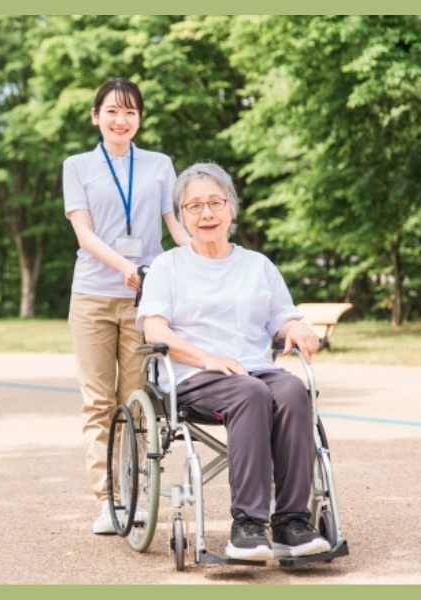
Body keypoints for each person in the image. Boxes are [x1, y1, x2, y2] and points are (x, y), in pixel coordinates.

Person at [136, 162, 330, 560]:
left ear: (231, 209)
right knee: (251, 393)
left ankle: (292, 522)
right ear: (181, 216)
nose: (206, 213)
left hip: (254, 368)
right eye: (194, 206)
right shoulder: (167, 267)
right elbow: (155, 330)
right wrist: (207, 358)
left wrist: (296, 328)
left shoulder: (258, 265)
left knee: (293, 390)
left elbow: (283, 316)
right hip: (194, 373)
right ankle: (247, 525)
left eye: (215, 203)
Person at [63, 78, 191, 535]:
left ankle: (134, 495)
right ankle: (107, 501)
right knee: (98, 403)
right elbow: (84, 233)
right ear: (96, 116)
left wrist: (197, 255)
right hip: (94, 297)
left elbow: (175, 221)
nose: (122, 121)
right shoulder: (77, 166)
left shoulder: (159, 165)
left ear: (140, 118)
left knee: (137, 402)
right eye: (113, 112)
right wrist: (127, 266)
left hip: (146, 298)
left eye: (131, 112)